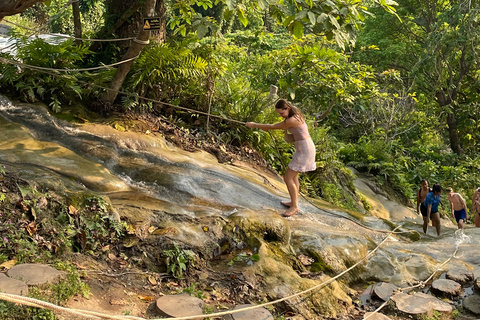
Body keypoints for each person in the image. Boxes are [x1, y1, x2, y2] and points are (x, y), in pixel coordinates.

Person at [246, 99, 316, 217]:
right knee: (294, 177)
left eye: (281, 113)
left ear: (287, 108)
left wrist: (255, 125)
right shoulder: (296, 114)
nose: (280, 115)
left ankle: (294, 206)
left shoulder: (292, 120)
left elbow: (275, 126)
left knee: (288, 177)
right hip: (304, 147)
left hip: (305, 150)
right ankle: (294, 202)